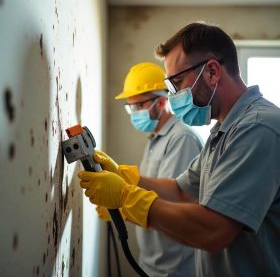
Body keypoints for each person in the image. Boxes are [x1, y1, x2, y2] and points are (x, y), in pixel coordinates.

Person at [78, 22, 280, 276]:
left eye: (178, 81)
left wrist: (127, 199)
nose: (174, 96)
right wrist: (126, 177)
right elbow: (181, 191)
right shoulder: (224, 131)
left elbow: (213, 231)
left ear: (212, 72)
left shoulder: (258, 128)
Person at [99, 62, 203, 276]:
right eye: (131, 107)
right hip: (153, 261)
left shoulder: (181, 138)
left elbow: (174, 201)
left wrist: (123, 206)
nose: (134, 112)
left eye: (139, 106)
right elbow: (151, 190)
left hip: (175, 266)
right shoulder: (155, 139)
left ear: (162, 102)